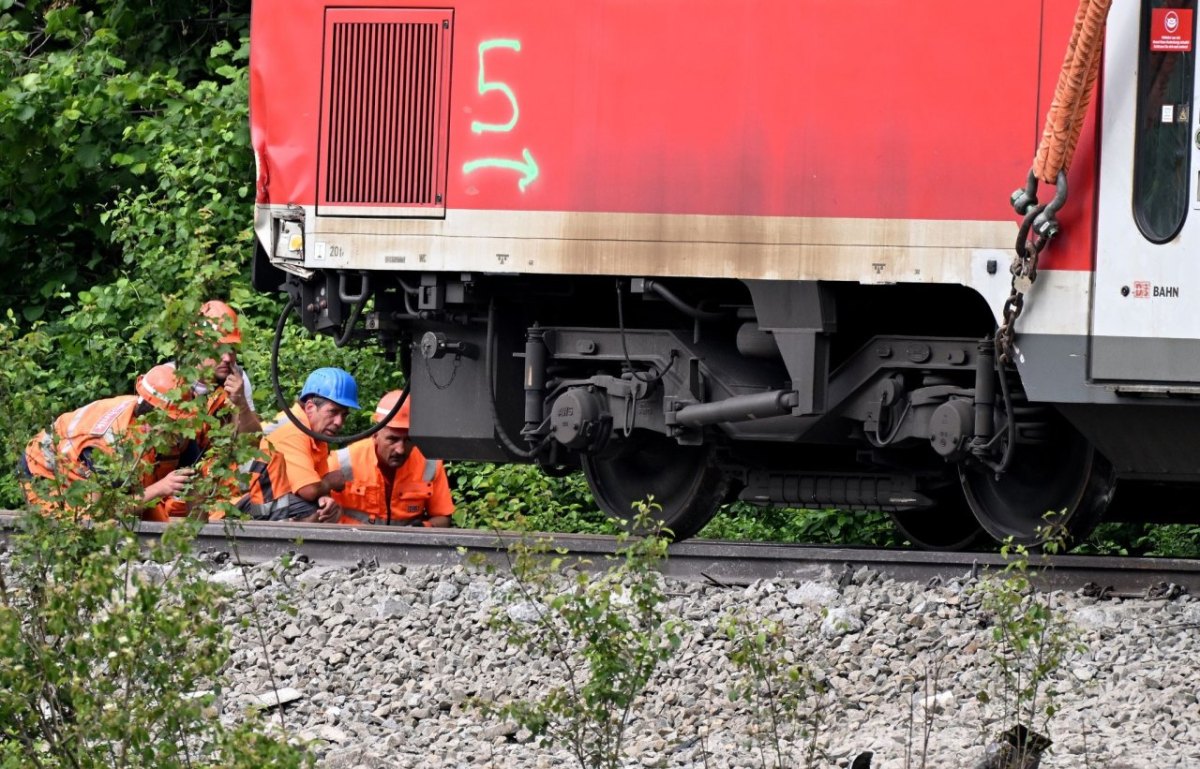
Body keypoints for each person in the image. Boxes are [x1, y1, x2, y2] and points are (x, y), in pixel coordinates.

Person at [19, 363, 199, 521]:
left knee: (155, 525)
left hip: (119, 485)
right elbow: (101, 511)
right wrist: (159, 488)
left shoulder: (179, 432)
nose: (180, 431)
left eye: (181, 422)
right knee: (84, 527)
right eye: (173, 423)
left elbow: (196, 490)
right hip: (46, 472)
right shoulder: (107, 443)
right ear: (147, 422)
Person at [327, 391, 455, 527]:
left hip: (405, 546)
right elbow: (313, 507)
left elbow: (443, 517)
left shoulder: (430, 464)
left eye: (408, 440)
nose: (400, 449)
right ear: (375, 433)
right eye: (392, 439)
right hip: (352, 544)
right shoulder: (342, 461)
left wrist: (423, 528)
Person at [251, 367, 359, 523]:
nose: (339, 422)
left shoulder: (316, 434)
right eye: (333, 412)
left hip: (262, 499)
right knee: (310, 512)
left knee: (326, 510)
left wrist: (325, 500)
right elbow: (309, 490)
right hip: (237, 503)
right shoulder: (293, 430)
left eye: (344, 415)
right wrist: (330, 482)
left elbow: (316, 487)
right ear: (309, 407)